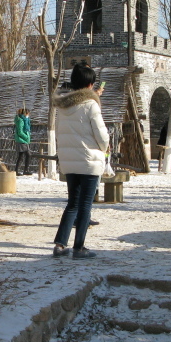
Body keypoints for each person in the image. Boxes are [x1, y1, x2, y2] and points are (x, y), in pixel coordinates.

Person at [52, 64, 109, 259]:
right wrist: (104, 149)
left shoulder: (63, 106)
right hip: (89, 161)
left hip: (70, 162)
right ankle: (79, 247)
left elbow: (58, 134)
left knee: (72, 204)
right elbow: (102, 136)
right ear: (90, 85)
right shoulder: (91, 105)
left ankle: (60, 245)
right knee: (85, 205)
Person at [13, 107, 31, 175]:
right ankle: (23, 170)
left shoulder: (22, 120)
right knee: (27, 154)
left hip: (23, 140)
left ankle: (18, 170)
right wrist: (26, 137)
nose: (28, 115)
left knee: (22, 155)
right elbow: (20, 132)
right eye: (28, 114)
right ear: (25, 114)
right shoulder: (21, 121)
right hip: (22, 140)